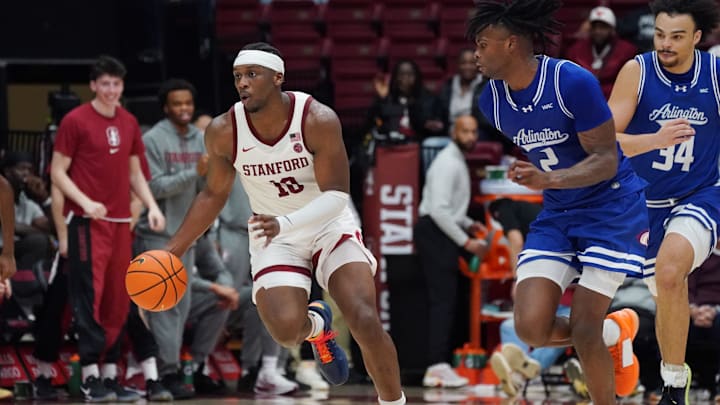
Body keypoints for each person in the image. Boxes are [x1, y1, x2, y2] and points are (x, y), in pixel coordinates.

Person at [163, 42, 405, 405]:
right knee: (286, 332)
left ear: (278, 77)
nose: (243, 83)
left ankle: (394, 402)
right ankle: (318, 328)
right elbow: (212, 195)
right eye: (238, 77)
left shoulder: (317, 119)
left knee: (364, 317)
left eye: (252, 75)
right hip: (274, 235)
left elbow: (337, 196)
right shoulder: (223, 130)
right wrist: (173, 251)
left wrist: (286, 221)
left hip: (328, 223)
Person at [468, 1, 649, 404]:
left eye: (483, 44)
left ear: (511, 44)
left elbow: (605, 161)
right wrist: (547, 180)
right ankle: (615, 332)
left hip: (611, 207)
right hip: (559, 212)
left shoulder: (571, 81)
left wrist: (546, 178)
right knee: (531, 327)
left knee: (583, 328)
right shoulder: (491, 102)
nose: (475, 54)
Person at [607, 1, 720, 403]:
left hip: (700, 195)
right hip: (642, 203)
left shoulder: (715, 74)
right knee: (653, 293)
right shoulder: (637, 72)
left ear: (697, 38)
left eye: (675, 36)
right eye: (659, 34)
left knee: (671, 272)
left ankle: (674, 384)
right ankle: (619, 338)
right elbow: (602, 139)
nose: (665, 44)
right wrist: (654, 139)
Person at [50, 55, 165, 402]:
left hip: (119, 224)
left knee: (118, 300)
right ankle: (88, 376)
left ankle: (111, 375)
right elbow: (57, 172)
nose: (111, 90)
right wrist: (84, 202)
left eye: (116, 84)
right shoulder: (75, 121)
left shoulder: (129, 122)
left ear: (122, 86)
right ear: (93, 86)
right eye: (105, 84)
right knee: (90, 299)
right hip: (86, 223)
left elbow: (134, 174)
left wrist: (152, 206)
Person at [133, 78, 231, 399]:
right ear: (166, 107)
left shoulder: (203, 139)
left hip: (189, 236)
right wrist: (195, 173)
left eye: (188, 103)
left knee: (183, 305)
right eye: (177, 104)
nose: (184, 109)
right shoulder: (152, 140)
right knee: (164, 307)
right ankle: (167, 373)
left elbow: (208, 188)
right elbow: (154, 187)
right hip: (157, 236)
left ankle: (174, 371)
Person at [414, 115, 488, 388]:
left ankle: (439, 364)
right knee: (443, 301)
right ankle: (436, 366)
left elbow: (448, 209)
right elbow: (438, 211)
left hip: (439, 228)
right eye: (464, 131)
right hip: (434, 230)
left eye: (473, 132)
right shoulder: (448, 162)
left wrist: (469, 223)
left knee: (447, 299)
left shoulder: (456, 160)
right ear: (453, 132)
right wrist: (466, 242)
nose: (470, 137)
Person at [565, 6, 638, 100]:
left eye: (603, 27)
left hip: (614, 100)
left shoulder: (627, 50)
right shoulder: (575, 50)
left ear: (612, 29)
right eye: (594, 27)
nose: (598, 31)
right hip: (583, 99)